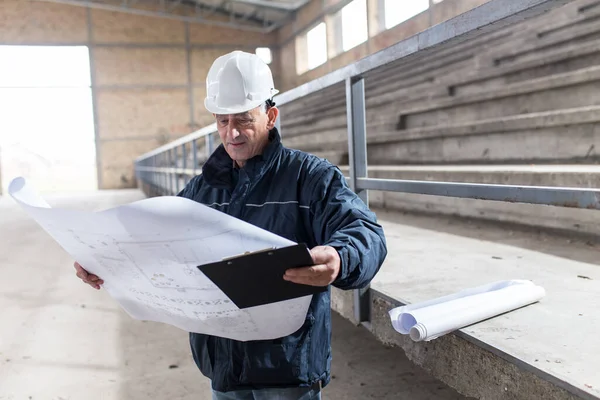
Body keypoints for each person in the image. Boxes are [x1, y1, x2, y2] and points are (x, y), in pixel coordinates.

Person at [74, 50, 387, 400]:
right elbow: (149, 239)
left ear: (271, 116)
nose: (232, 132)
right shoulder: (203, 187)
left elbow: (366, 231)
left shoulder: (309, 177)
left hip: (285, 366)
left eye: (243, 119)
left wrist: (341, 257)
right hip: (222, 364)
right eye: (222, 121)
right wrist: (101, 260)